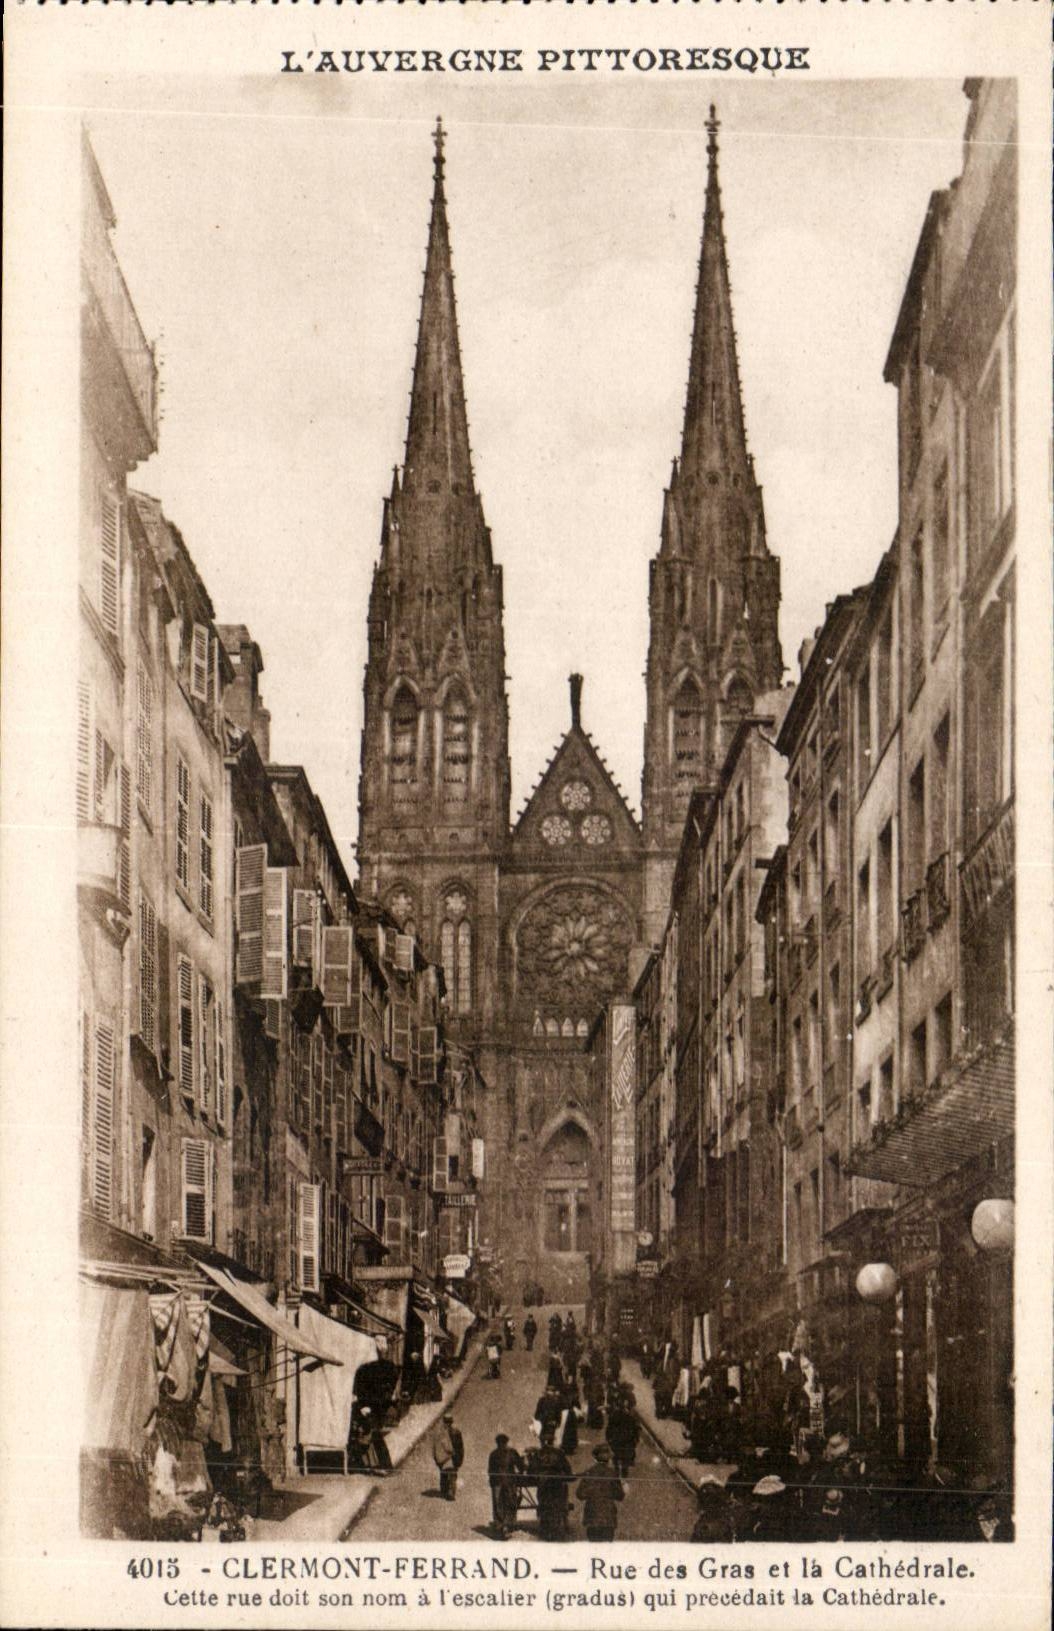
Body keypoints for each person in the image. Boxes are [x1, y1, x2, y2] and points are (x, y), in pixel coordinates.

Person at [527, 1428, 573, 1542]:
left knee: (544, 1503)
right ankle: (557, 1527)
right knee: (558, 1502)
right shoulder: (559, 1453)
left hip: (543, 1483)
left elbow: (531, 1470)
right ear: (552, 1441)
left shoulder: (537, 1454)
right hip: (557, 1482)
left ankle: (545, 1527)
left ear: (542, 1442)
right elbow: (567, 1468)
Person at [576, 1444, 624, 1542]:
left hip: (592, 1516)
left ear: (595, 1458)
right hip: (608, 1518)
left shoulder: (589, 1472)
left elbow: (580, 1494)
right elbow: (620, 1496)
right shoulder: (612, 1473)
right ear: (609, 1459)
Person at [487, 1434, 524, 1539]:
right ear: (506, 1442)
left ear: (497, 1443)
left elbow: (490, 1471)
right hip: (509, 1482)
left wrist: (492, 1483)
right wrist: (520, 1474)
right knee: (510, 1503)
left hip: (497, 1483)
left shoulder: (493, 1454)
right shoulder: (512, 1452)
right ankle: (507, 1526)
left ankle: (500, 1527)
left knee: (498, 1504)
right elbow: (520, 1466)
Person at [431, 1412, 464, 1501]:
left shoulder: (438, 1433)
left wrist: (435, 1458)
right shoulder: (456, 1432)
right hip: (452, 1457)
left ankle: (444, 1489)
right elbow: (460, 1447)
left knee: (444, 1472)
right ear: (451, 1422)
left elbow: (435, 1447)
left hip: (442, 1458)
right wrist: (459, 1458)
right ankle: (450, 1492)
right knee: (452, 1474)